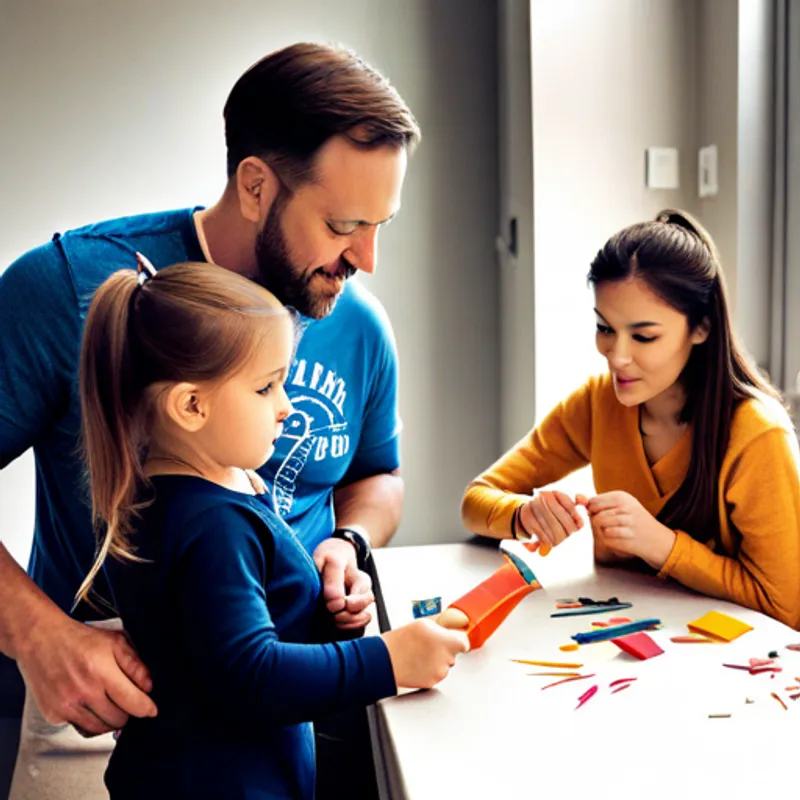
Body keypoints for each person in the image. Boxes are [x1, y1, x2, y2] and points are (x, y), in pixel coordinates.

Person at [0, 42, 418, 796]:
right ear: (256, 184)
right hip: (114, 716)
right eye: (344, 223)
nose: (367, 258)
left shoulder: (358, 321)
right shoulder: (66, 289)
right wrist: (35, 632)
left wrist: (347, 546)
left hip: (297, 711)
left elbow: (377, 474)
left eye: (382, 223)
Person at [73, 259, 470, 799]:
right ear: (191, 405)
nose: (285, 408)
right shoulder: (212, 525)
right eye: (266, 388)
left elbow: (227, 642)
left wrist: (329, 619)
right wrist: (387, 659)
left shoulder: (204, 492)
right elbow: (252, 677)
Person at [461, 209, 800, 630]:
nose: (616, 356)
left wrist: (664, 546)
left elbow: (787, 606)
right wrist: (524, 515)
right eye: (605, 328)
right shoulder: (597, 403)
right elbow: (477, 500)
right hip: (618, 643)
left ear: (702, 328)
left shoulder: (758, 435)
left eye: (643, 336)